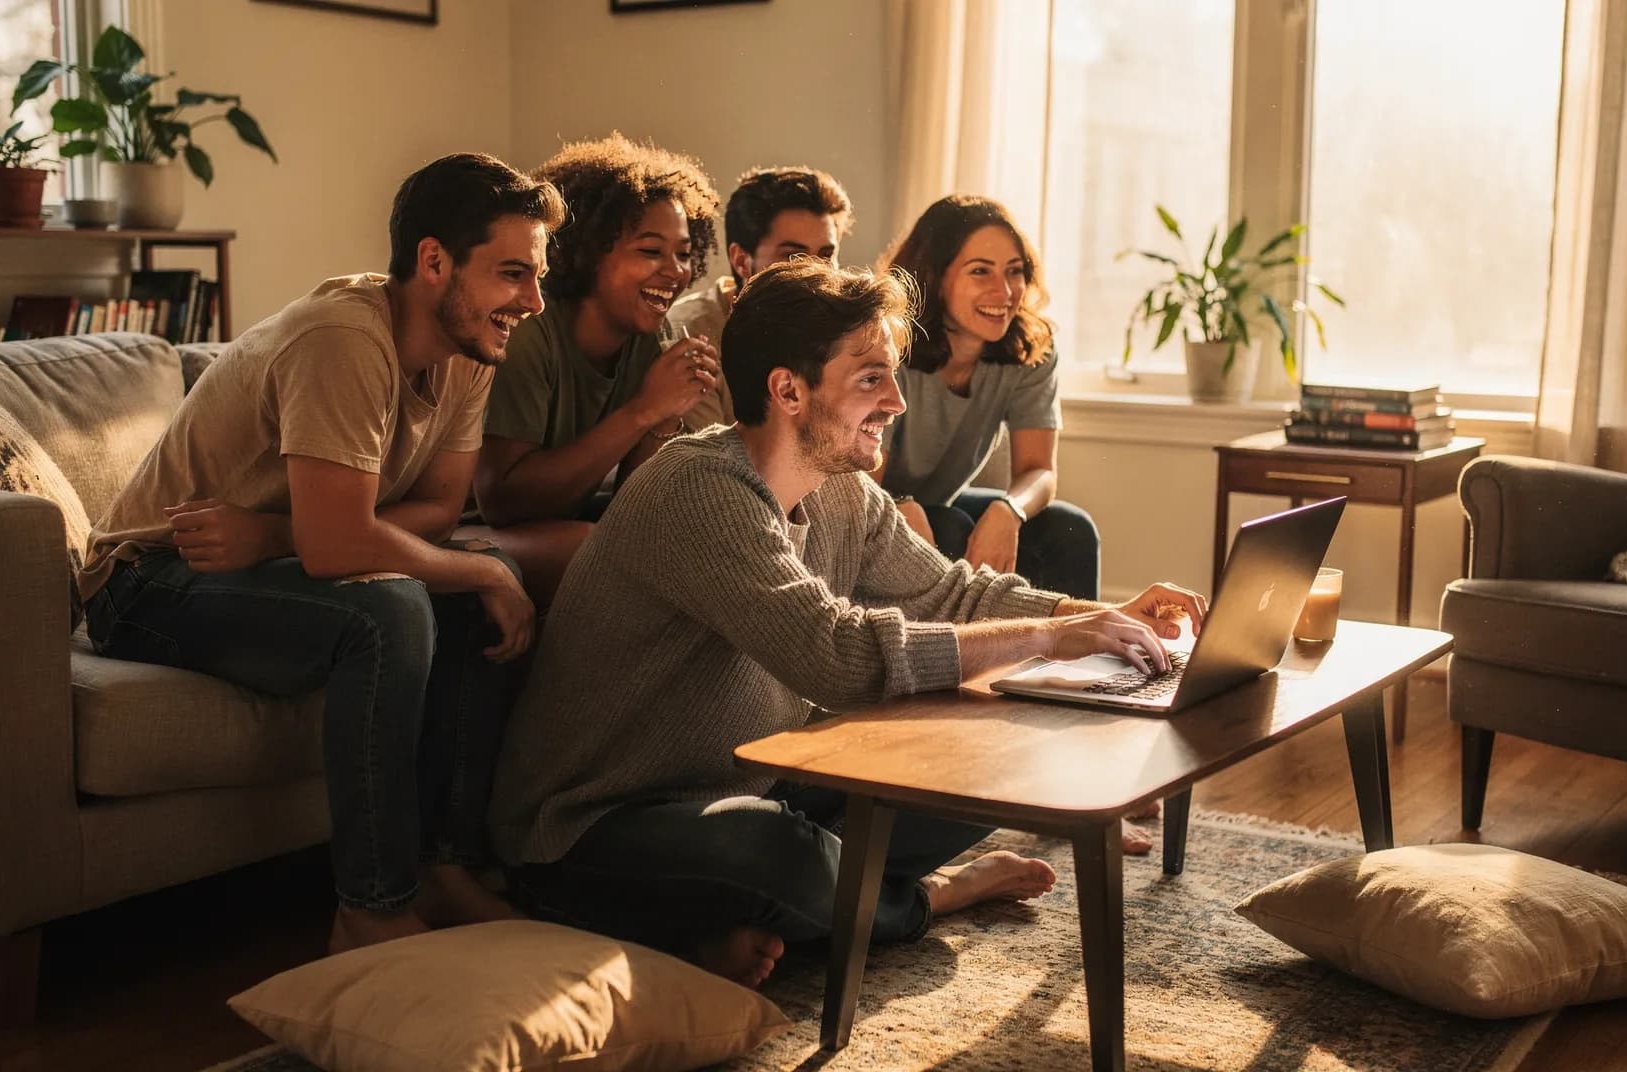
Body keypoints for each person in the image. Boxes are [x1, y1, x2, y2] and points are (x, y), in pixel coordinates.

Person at [488, 260, 1206, 988]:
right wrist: (1050, 639)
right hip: (591, 830)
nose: (896, 400)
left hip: (753, 783)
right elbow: (838, 658)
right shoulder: (697, 489)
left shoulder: (843, 491)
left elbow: (950, 594)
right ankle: (921, 899)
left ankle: (770, 912)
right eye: (870, 379)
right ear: (788, 391)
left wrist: (1099, 617)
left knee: (999, 764)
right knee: (770, 850)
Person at [78, 153, 565, 953]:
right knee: (392, 610)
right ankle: (370, 907)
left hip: (261, 560)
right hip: (148, 580)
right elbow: (343, 547)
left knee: (478, 589)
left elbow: (439, 510)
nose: (533, 301)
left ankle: (444, 868)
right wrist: (445, 558)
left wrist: (277, 533)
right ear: (433, 261)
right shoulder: (343, 337)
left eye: (537, 276)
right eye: (513, 274)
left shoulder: (469, 345)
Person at [466, 132, 724, 604]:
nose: (675, 271)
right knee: (592, 551)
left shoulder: (653, 338)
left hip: (562, 518)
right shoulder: (529, 330)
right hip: (469, 528)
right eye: (650, 251)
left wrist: (667, 416)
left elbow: (636, 511)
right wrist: (644, 410)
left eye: (684, 254)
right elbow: (502, 501)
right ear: (587, 250)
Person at [877, 194, 1101, 601]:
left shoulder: (1032, 350)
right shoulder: (885, 346)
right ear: (935, 277)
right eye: (980, 271)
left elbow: (1039, 471)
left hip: (936, 506)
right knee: (951, 526)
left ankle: (1081, 639)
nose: (1005, 291)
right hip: (865, 511)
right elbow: (854, 484)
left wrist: (1009, 510)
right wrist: (899, 506)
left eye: (1014, 272)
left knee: (1071, 530)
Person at [666, 164, 854, 430]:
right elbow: (709, 455)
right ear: (741, 261)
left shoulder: (841, 335)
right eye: (794, 257)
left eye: (826, 255)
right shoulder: (690, 335)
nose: (816, 272)